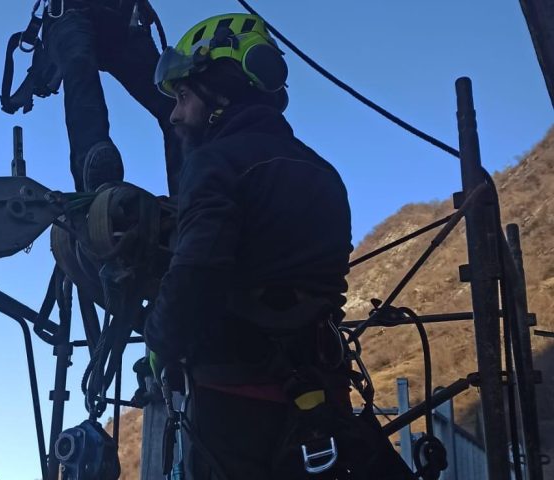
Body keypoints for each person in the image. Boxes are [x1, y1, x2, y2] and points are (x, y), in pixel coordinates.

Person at [143, 13, 413, 479]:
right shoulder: (323, 172)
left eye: (183, 96)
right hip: (320, 399)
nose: (175, 114)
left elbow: (197, 274)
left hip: (235, 406)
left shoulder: (214, 163)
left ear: (219, 93)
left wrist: (158, 343)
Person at [42, 0, 182, 193]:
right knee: (79, 63)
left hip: (121, 22)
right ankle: (95, 170)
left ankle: (192, 186)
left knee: (176, 103)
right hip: (72, 13)